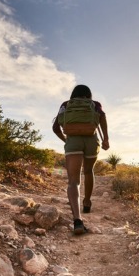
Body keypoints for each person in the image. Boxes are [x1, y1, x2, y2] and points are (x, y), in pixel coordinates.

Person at [52, 85, 109, 235]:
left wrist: (66, 140)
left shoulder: (65, 105)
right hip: (91, 140)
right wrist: (106, 140)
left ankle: (77, 220)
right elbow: (102, 118)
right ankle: (87, 202)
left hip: (73, 142)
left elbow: (55, 127)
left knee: (73, 181)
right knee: (89, 171)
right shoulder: (95, 104)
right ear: (88, 95)